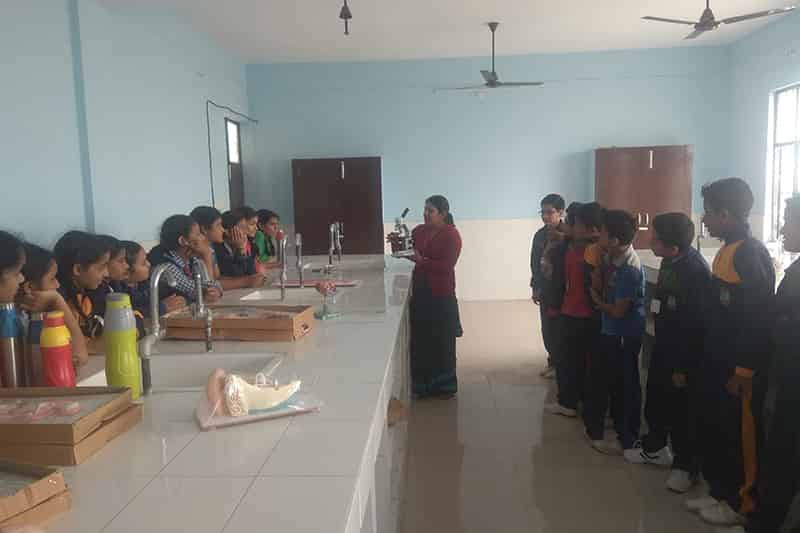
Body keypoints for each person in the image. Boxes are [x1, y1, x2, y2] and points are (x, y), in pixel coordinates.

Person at [687, 178, 775, 527]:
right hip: (718, 361)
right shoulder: (728, 248)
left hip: (740, 368)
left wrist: (744, 370)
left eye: (708, 213)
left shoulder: (749, 254)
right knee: (720, 429)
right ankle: (720, 491)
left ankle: (742, 502)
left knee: (741, 436)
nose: (704, 220)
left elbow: (757, 317)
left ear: (725, 214)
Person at [626, 213, 710, 493]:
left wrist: (682, 368)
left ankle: (685, 467)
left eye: (655, 238)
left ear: (673, 246)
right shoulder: (669, 261)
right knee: (656, 400)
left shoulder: (695, 272)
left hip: (683, 355)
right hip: (664, 345)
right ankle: (655, 448)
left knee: (682, 412)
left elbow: (695, 327)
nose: (650, 241)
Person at [745, 196, 800, 533]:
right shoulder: (794, 272)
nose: (782, 229)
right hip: (786, 376)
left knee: (783, 454)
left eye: (788, 221)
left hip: (792, 382)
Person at [586, 209, 646, 455]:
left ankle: (628, 437)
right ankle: (606, 427)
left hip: (623, 333)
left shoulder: (629, 268)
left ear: (614, 240)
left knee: (625, 384)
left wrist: (597, 301)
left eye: (602, 233)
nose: (597, 235)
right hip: (610, 330)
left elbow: (618, 311)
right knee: (606, 379)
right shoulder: (611, 257)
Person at [545, 202, 603, 418]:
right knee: (566, 360)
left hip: (589, 314)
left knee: (587, 363)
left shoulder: (597, 252)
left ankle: (586, 403)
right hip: (567, 310)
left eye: (575, 224)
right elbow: (556, 277)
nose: (569, 227)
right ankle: (567, 401)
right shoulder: (565, 248)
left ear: (591, 229)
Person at [406, 195, 463, 399]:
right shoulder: (418, 231)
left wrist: (421, 260)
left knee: (442, 342)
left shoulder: (451, 235)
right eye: (425, 209)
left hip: (441, 295)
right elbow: (407, 252)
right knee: (421, 340)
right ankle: (421, 386)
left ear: (443, 213)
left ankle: (444, 387)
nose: (425, 214)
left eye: (430, 210)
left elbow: (447, 266)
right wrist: (397, 244)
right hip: (420, 292)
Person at [19, 243, 89, 365]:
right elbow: (79, 355)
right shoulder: (17, 322)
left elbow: (80, 358)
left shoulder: (29, 316)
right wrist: (57, 300)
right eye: (52, 279)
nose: (57, 285)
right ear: (29, 287)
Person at [53, 231, 110, 353]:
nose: (106, 274)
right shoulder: (58, 300)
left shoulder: (88, 295)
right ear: (78, 269)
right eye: (101, 267)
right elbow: (69, 347)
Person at [149, 215, 222, 304]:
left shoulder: (192, 259)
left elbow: (214, 287)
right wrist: (207, 255)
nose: (203, 237)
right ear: (183, 241)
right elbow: (197, 291)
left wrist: (216, 291)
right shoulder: (165, 266)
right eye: (198, 234)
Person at [530, 193, 565, 378]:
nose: (545, 216)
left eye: (549, 212)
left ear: (561, 212)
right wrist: (535, 287)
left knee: (560, 328)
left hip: (562, 291)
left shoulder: (568, 234)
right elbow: (534, 263)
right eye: (542, 212)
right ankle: (552, 361)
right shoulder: (540, 235)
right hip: (545, 289)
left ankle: (562, 364)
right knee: (547, 328)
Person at [191, 206, 264, 290]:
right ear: (228, 231)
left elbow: (218, 278)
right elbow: (211, 285)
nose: (222, 230)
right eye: (218, 225)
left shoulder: (211, 249)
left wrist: (242, 250)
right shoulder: (215, 249)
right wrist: (246, 281)